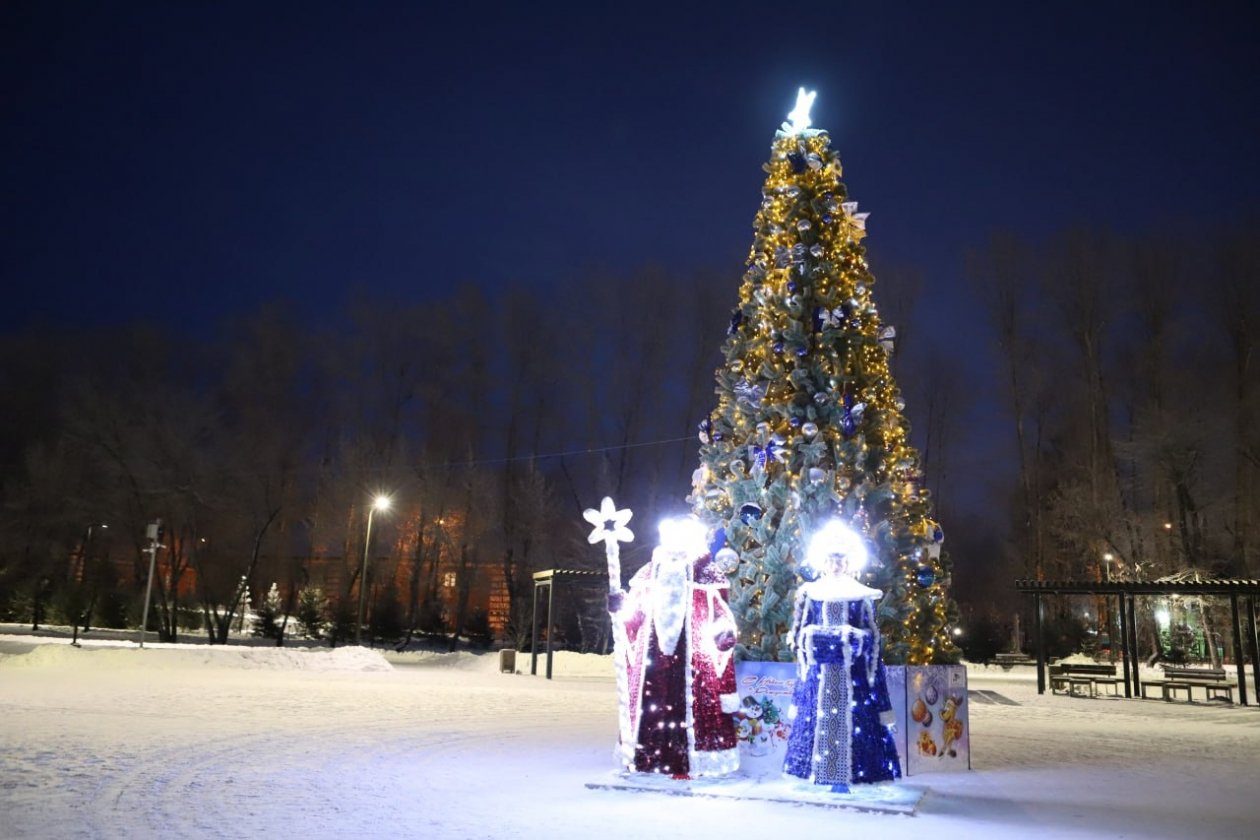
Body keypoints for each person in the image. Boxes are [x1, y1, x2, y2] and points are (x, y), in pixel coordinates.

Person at [609, 517, 740, 778]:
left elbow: (720, 612)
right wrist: (619, 608)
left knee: (692, 706)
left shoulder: (708, 575)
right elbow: (633, 619)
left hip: (695, 662)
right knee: (651, 706)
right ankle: (648, 758)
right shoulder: (647, 576)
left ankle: (692, 761)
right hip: (652, 662)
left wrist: (724, 633)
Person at [782, 520, 901, 788]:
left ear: (848, 563)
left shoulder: (860, 596)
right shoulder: (812, 594)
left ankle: (849, 778)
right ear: (824, 562)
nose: (836, 565)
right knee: (816, 720)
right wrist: (813, 640)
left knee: (855, 723)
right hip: (819, 676)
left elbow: (872, 637)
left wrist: (853, 640)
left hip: (854, 677)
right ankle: (820, 776)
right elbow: (799, 634)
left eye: (841, 560)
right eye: (831, 560)